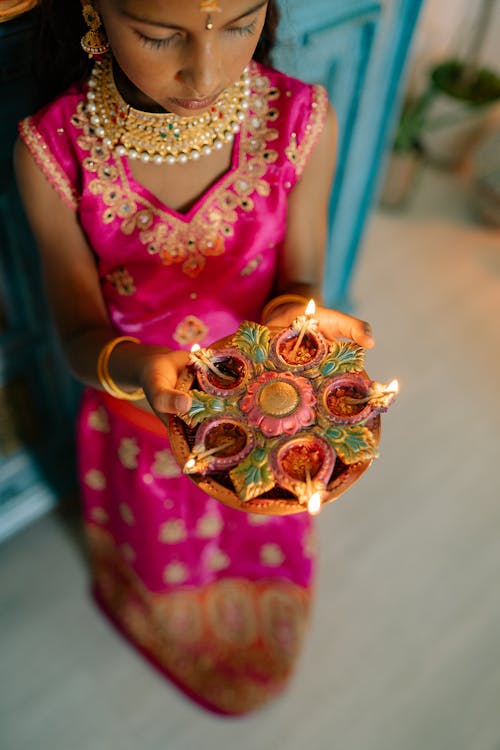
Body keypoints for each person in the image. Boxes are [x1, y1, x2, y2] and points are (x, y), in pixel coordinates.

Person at [14, 0, 374, 715]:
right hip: (139, 429)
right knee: (162, 551)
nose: (205, 71)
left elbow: (296, 285)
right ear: (95, 10)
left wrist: (297, 321)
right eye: (157, 34)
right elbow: (78, 335)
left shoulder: (300, 122)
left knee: (258, 530)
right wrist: (141, 372)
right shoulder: (54, 150)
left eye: (239, 23)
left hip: (264, 432)